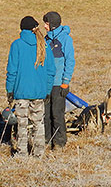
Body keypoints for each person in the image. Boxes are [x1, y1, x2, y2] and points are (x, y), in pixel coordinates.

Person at [6, 16, 55, 156]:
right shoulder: (44, 45)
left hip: (21, 92)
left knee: (21, 124)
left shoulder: (16, 45)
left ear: (21, 29)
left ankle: (22, 154)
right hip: (40, 92)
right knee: (38, 123)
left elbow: (12, 71)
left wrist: (10, 90)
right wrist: (47, 90)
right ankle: (38, 153)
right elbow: (51, 71)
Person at [43, 11, 75, 150]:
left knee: (57, 114)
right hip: (46, 85)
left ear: (53, 25)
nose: (44, 26)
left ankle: (60, 142)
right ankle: (46, 140)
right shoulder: (46, 40)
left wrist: (65, 82)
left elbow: (70, 61)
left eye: (46, 23)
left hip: (58, 84)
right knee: (46, 115)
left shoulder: (66, 40)